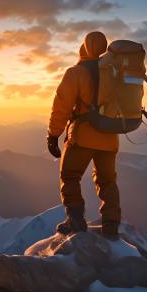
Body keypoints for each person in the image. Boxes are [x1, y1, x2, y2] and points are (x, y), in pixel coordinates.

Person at [46, 31, 121, 238]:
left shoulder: (76, 73)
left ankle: (75, 220)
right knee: (107, 181)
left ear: (84, 47)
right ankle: (111, 226)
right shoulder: (114, 72)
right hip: (110, 136)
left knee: (70, 175)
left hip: (83, 136)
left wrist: (53, 135)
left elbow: (61, 106)